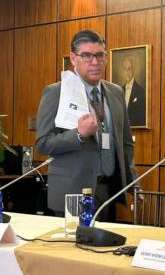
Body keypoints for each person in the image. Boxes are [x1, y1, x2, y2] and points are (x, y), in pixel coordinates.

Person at [36, 30, 137, 221]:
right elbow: (43, 143)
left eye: (100, 55)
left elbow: (125, 144)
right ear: (73, 59)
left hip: (109, 191)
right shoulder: (56, 92)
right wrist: (78, 135)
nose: (95, 62)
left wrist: (133, 184)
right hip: (72, 192)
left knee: (107, 249)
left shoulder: (116, 93)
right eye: (87, 56)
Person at [120, 56, 146, 127]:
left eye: (129, 69)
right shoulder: (119, 91)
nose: (127, 72)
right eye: (125, 69)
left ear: (134, 70)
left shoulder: (141, 92)